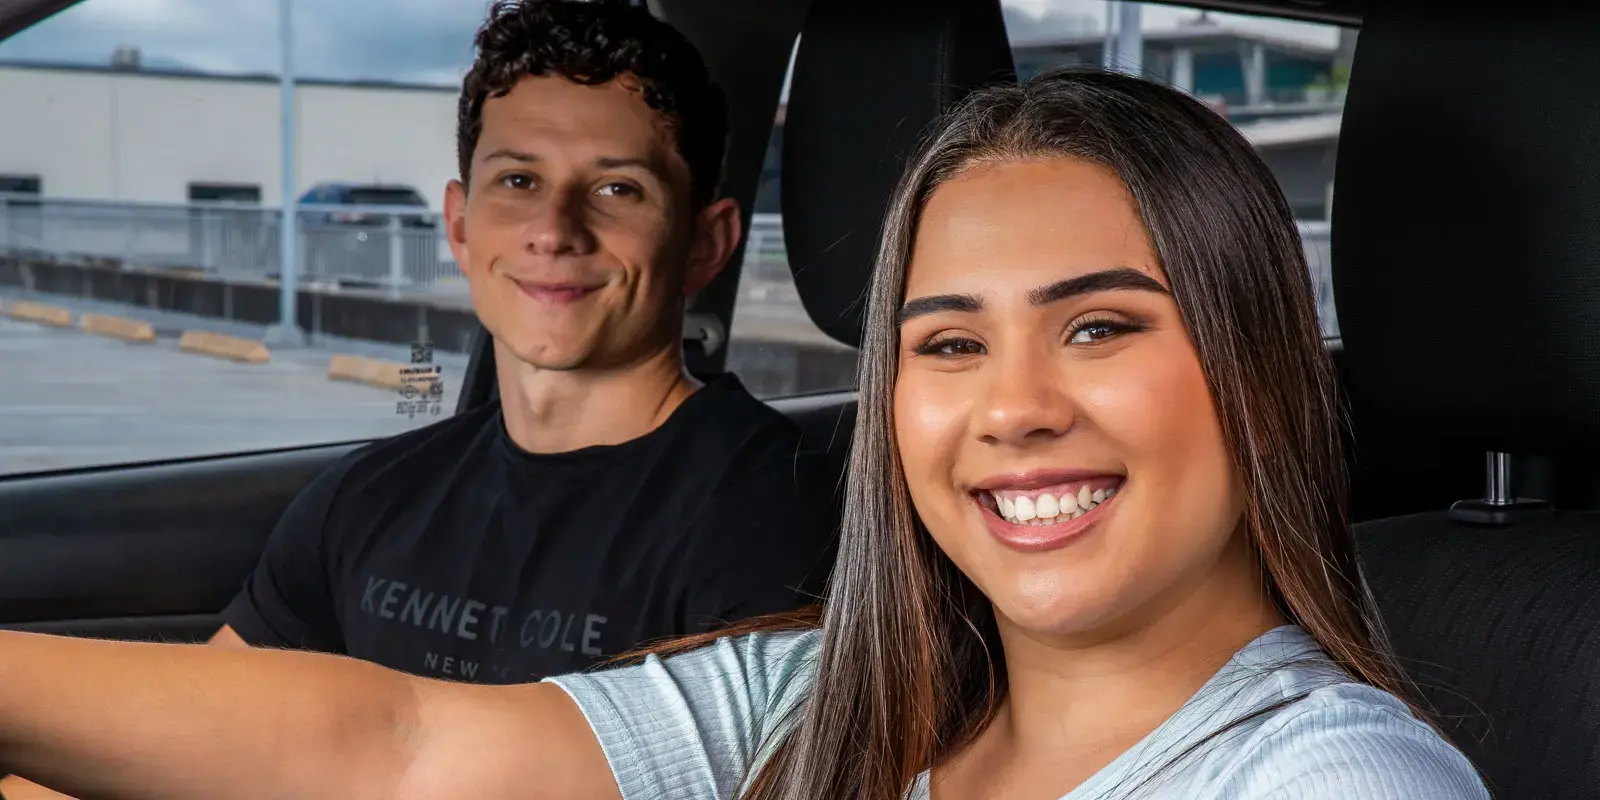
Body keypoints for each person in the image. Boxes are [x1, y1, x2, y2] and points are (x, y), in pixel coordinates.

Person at [0, 69, 1489, 800]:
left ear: (1257, 371)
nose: (1016, 407)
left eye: (1100, 327)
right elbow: (400, 747)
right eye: (950, 344)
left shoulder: (1328, 783)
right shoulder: (835, 697)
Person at [0, 5, 838, 796]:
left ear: (707, 243)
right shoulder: (369, 496)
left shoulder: (777, 516)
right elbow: (194, 738)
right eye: (517, 180)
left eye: (617, 189)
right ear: (461, 226)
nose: (554, 229)